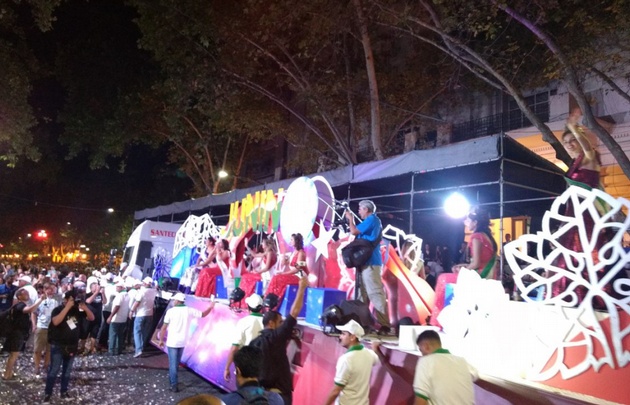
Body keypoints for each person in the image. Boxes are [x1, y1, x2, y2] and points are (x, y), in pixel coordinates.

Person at [431, 206, 497, 327]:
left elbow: (476, 263)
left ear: (475, 222)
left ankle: (439, 321)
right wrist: (463, 266)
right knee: (451, 274)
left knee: (443, 278)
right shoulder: (487, 237)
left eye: (467, 219)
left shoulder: (476, 236)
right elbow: (480, 261)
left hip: (480, 276)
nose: (465, 222)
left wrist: (462, 271)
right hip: (488, 274)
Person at [251, 275, 308, 405]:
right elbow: (294, 312)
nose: (283, 324)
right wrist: (301, 288)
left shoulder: (254, 343)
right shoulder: (277, 337)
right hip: (279, 395)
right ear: (271, 323)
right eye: (280, 322)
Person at [345, 200, 391, 334]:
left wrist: (350, 219)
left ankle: (384, 325)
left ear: (366, 209)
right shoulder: (370, 221)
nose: (358, 211)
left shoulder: (372, 220)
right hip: (364, 263)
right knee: (361, 294)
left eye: (360, 209)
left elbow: (353, 231)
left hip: (371, 263)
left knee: (375, 292)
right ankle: (362, 323)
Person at [44, 290, 95, 403]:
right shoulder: (57, 309)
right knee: (54, 369)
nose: (73, 302)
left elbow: (91, 318)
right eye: (72, 300)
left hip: (72, 345)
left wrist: (84, 307)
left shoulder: (76, 310)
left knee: (67, 371)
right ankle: (48, 393)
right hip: (58, 345)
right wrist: (67, 307)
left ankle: (64, 392)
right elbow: (56, 322)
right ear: (66, 300)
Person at [158, 292, 215, 393]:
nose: (173, 301)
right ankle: (172, 381)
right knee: (175, 364)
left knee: (172, 364)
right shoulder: (189, 310)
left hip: (172, 342)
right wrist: (211, 307)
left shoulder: (171, 312)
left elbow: (163, 328)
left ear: (177, 301)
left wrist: (161, 340)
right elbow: (203, 314)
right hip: (183, 342)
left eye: (174, 300)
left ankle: (174, 385)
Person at [413, 330, 478, 405]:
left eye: (421, 350)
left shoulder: (425, 361)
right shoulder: (462, 361)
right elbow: (475, 374)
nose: (422, 354)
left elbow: (420, 401)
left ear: (426, 346)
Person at [324, 319, 379, 405]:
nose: (340, 337)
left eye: (343, 334)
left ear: (352, 337)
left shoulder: (346, 360)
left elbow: (336, 391)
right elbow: (375, 357)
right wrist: (374, 347)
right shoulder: (368, 354)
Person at [2, 288, 44, 380]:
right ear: (19, 296)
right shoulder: (20, 305)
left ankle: (10, 372)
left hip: (17, 333)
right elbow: (30, 310)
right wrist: (40, 300)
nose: (27, 294)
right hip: (17, 334)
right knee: (14, 354)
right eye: (25, 293)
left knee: (13, 355)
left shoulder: (19, 305)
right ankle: (6, 374)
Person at [224, 294, 265, 382]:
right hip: (263, 363)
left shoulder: (243, 322)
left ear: (248, 307)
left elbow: (234, 348)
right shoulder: (267, 322)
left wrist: (227, 368)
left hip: (246, 363)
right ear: (261, 307)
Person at [266, 233, 307, 308]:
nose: (290, 241)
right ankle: (269, 301)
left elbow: (297, 268)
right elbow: (286, 263)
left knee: (278, 278)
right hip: (294, 274)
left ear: (296, 241)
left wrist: (284, 273)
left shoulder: (302, 253)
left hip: (300, 276)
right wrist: (284, 254)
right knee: (276, 277)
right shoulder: (294, 252)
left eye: (292, 239)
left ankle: (274, 303)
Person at [33, 282, 59, 376]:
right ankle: (37, 366)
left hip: (52, 328)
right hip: (41, 327)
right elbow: (34, 313)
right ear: (45, 289)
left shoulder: (57, 301)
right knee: (37, 349)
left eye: (53, 289)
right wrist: (34, 325)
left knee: (49, 349)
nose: (51, 291)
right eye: (49, 289)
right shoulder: (39, 300)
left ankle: (46, 365)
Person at [130, 276, 157, 357]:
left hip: (141, 314)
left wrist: (131, 311)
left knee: (137, 332)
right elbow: (156, 286)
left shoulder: (142, 292)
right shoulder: (153, 291)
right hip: (150, 314)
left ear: (145, 283)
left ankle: (138, 350)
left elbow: (137, 303)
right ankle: (142, 347)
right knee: (145, 332)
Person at [106, 279, 130, 355]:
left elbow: (117, 306)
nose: (116, 288)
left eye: (118, 287)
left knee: (113, 335)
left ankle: (111, 351)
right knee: (120, 335)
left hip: (116, 319)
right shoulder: (127, 295)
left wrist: (110, 316)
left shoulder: (119, 296)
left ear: (121, 287)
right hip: (123, 319)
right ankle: (119, 350)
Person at [84, 277, 107, 354]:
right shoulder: (88, 295)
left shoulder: (100, 294)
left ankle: (92, 348)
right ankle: (83, 348)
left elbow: (104, 302)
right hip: (88, 317)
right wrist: (96, 293)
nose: (97, 287)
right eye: (95, 286)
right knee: (85, 333)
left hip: (98, 316)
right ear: (91, 288)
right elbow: (88, 301)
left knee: (94, 333)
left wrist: (103, 293)